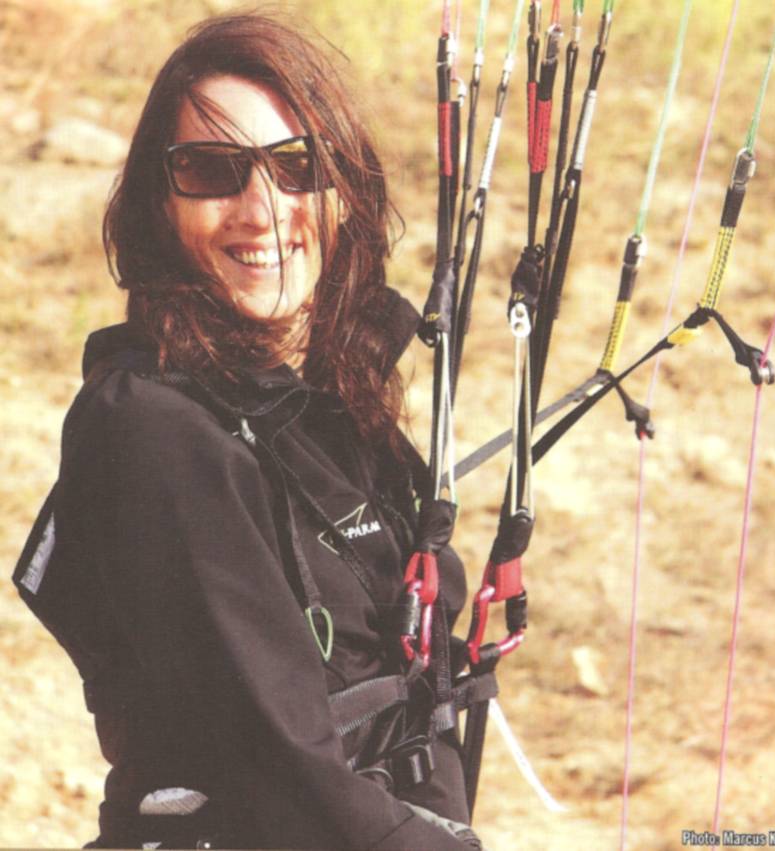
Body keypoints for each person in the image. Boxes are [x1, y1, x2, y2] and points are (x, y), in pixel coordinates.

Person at [13, 13, 488, 851]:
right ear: (159, 204)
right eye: (211, 170)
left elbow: (424, 682)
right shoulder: (151, 430)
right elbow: (278, 764)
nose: (262, 210)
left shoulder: (336, 403)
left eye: (298, 167)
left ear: (344, 190)